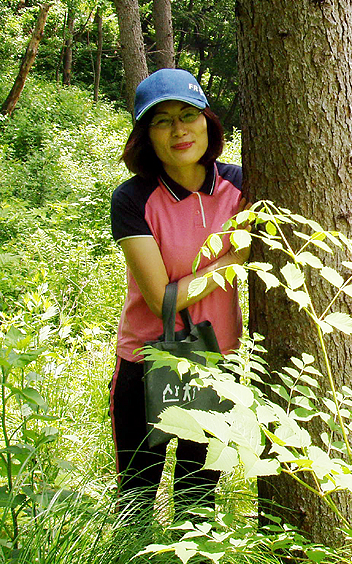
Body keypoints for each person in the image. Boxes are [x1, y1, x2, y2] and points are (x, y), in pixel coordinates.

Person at [109, 68, 247, 516]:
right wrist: (235, 259)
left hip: (217, 361)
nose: (179, 130)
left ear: (208, 121)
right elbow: (161, 299)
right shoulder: (133, 199)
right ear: (146, 136)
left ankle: (191, 560)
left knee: (198, 497)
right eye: (162, 121)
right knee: (136, 495)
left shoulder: (240, 185)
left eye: (188, 115)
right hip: (146, 362)